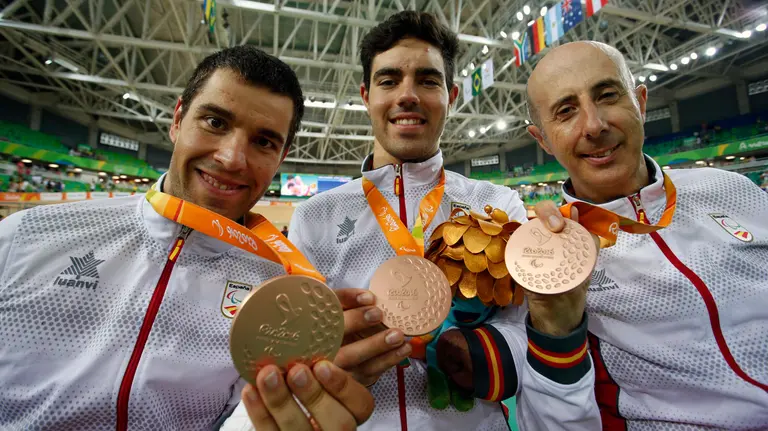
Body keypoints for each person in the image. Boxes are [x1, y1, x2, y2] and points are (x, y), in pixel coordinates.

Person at [225, 11, 599, 431]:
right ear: (366, 95)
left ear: (451, 95)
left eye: (427, 80)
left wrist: (484, 351)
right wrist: (328, 358)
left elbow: (523, 328)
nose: (408, 95)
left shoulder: (496, 203)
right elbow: (295, 343)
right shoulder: (316, 215)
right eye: (389, 81)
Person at [0, 46, 374, 430]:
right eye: (215, 122)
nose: (232, 158)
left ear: (281, 157)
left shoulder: (280, 293)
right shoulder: (25, 237)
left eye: (263, 142)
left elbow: (244, 417)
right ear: (178, 119)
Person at [525, 41, 768, 428]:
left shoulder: (730, 188)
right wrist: (555, 331)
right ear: (543, 140)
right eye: (566, 111)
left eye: (607, 95)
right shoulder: (547, 254)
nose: (594, 125)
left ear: (639, 101)